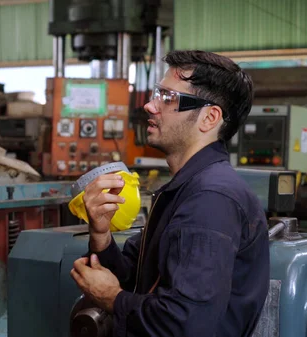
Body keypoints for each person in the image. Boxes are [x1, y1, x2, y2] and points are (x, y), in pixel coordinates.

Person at [70, 50, 269, 337]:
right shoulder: (185, 190)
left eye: (168, 98)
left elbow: (186, 323)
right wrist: (101, 235)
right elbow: (136, 278)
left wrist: (113, 299)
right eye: (156, 94)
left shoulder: (210, 199)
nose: (150, 106)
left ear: (209, 118)